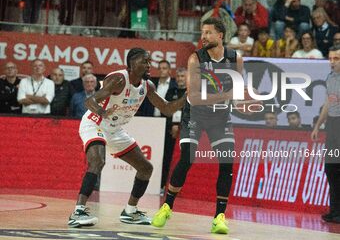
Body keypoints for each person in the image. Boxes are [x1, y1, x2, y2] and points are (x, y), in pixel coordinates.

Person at [68, 47, 186, 228]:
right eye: (145, 61)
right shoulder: (118, 79)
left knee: (146, 168)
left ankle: (130, 211)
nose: (149, 65)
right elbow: (89, 101)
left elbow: (167, 108)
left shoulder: (148, 86)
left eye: (149, 62)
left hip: (115, 130)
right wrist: (103, 112)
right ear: (132, 64)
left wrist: (186, 98)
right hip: (95, 123)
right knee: (98, 161)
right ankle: (78, 212)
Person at [152, 17, 243, 234]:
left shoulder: (235, 58)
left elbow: (238, 91)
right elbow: (194, 95)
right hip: (195, 113)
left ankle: (219, 217)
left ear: (220, 36)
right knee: (187, 158)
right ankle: (167, 207)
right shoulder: (196, 58)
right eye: (202, 33)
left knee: (227, 163)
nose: (203, 37)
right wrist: (226, 95)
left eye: (208, 33)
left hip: (219, 117)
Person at [311, 44, 340, 223]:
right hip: (332, 124)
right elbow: (328, 104)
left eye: (336, 59)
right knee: (331, 168)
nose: (332, 62)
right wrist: (317, 126)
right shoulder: (330, 78)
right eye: (330, 58)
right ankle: (335, 211)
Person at [161, 67, 187, 193]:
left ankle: (177, 187)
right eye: (178, 77)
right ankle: (163, 185)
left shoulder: (191, 92)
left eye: (183, 76)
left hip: (186, 130)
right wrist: (174, 124)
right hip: (170, 130)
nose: (180, 79)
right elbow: (167, 108)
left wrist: (180, 124)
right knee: (166, 158)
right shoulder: (171, 91)